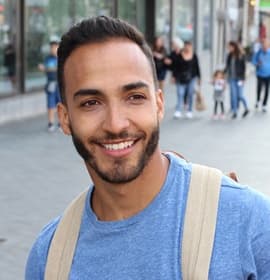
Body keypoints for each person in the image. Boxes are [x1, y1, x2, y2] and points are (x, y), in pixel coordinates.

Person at [25, 16, 270, 279]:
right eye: (91, 103)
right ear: (64, 118)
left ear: (159, 104)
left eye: (134, 97)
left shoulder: (247, 222)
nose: (116, 124)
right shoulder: (49, 259)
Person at [166, 40, 201, 119]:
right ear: (184, 46)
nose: (187, 47)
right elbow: (175, 66)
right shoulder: (179, 55)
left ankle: (189, 110)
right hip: (180, 77)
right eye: (186, 46)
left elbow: (197, 67)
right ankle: (178, 110)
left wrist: (199, 78)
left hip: (192, 77)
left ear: (191, 47)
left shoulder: (194, 55)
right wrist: (173, 77)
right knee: (180, 93)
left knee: (190, 93)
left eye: (189, 46)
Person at [38, 39, 61, 132]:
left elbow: (59, 69)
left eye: (55, 47)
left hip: (60, 84)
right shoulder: (47, 58)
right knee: (50, 104)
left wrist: (47, 68)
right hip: (50, 84)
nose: (53, 49)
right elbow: (45, 69)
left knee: (60, 104)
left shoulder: (62, 58)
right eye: (51, 47)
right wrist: (45, 69)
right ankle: (50, 123)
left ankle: (61, 123)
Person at [224, 41, 249, 119]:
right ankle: (235, 111)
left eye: (230, 47)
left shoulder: (241, 55)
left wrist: (244, 78)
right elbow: (227, 66)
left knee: (240, 95)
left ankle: (246, 108)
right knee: (233, 95)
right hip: (231, 78)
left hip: (239, 79)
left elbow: (244, 68)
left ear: (234, 47)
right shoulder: (229, 55)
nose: (229, 48)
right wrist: (222, 74)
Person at [252, 38, 270, 112]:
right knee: (259, 88)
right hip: (260, 73)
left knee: (266, 90)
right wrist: (257, 64)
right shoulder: (259, 52)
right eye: (264, 45)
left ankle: (264, 105)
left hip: (268, 74)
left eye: (266, 45)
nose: (265, 46)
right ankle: (258, 100)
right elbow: (253, 60)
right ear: (262, 45)